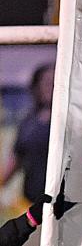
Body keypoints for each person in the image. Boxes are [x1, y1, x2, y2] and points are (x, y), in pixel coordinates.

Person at [1, 64, 53, 205]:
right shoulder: (28, 122)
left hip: (63, 202)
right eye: (46, 82)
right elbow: (17, 157)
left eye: (55, 82)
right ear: (37, 86)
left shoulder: (70, 121)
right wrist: (2, 183)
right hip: (32, 201)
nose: (50, 87)